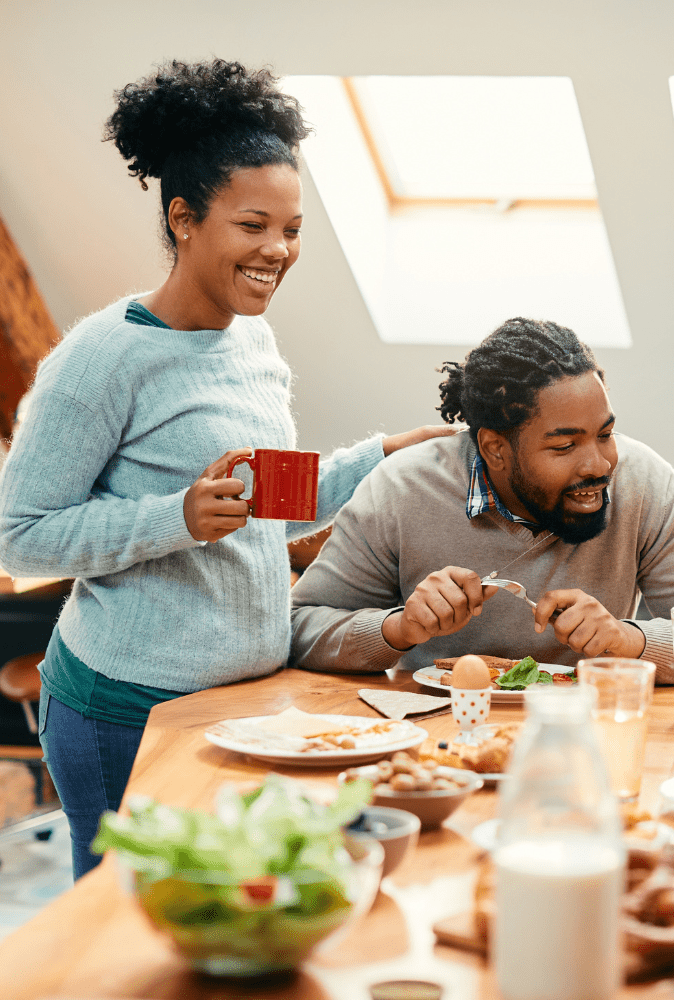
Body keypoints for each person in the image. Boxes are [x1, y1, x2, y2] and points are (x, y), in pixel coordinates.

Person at [0, 58, 449, 879]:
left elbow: (265, 503)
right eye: (253, 225)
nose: (278, 250)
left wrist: (382, 457)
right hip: (123, 709)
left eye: (293, 228)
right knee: (126, 923)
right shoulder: (99, 359)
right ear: (184, 218)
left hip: (246, 702)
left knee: (232, 914)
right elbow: (20, 536)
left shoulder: (252, 342)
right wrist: (175, 518)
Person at [290, 318, 674, 682]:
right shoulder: (401, 489)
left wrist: (629, 639)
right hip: (436, 740)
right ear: (495, 449)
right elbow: (298, 628)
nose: (599, 464)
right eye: (565, 445)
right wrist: (398, 629)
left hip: (590, 735)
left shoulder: (645, 484)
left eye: (605, 434)